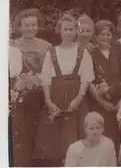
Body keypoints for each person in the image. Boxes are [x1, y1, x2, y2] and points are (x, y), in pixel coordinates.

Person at [33, 15, 95, 166]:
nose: (68, 32)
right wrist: (48, 101)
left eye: (71, 29)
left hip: (76, 98)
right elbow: (46, 80)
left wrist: (79, 99)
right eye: (65, 29)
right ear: (59, 31)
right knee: (56, 142)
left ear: (76, 31)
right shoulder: (52, 52)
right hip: (56, 98)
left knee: (76, 139)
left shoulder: (82, 52)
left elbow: (86, 79)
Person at [10, 8, 52, 166]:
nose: (30, 28)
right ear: (19, 27)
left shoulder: (46, 46)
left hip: (40, 91)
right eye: (26, 25)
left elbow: (50, 71)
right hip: (18, 90)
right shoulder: (13, 45)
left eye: (33, 25)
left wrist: (35, 80)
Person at [87, 20, 121, 154]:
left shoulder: (116, 53)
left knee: (117, 136)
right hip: (99, 102)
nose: (105, 37)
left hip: (117, 102)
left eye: (108, 34)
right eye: (102, 34)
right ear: (95, 36)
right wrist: (102, 102)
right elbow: (88, 81)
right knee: (102, 134)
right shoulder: (90, 54)